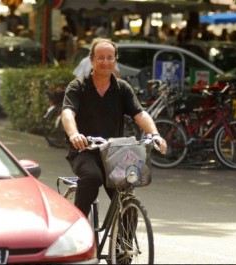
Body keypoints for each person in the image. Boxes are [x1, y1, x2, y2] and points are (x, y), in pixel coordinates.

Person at [61, 38, 167, 217]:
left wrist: (155, 134)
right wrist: (74, 135)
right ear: (91, 60)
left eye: (110, 57)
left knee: (125, 194)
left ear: (115, 60)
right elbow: (67, 113)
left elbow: (140, 114)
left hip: (114, 153)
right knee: (92, 178)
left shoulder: (122, 88)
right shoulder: (78, 86)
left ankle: (122, 244)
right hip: (84, 150)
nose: (105, 62)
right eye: (100, 57)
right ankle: (77, 227)